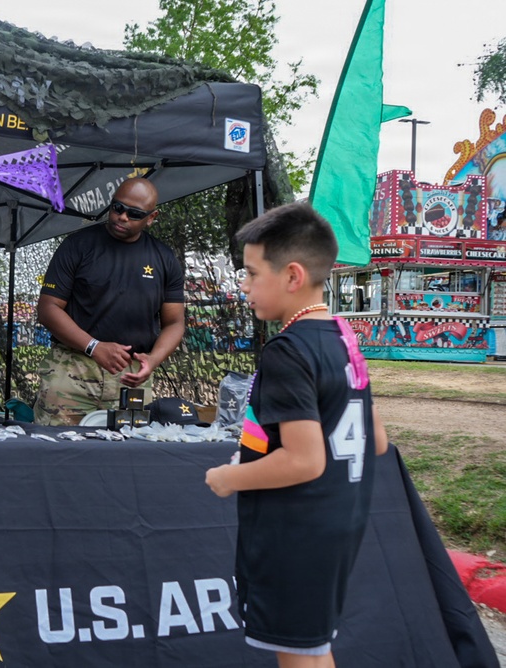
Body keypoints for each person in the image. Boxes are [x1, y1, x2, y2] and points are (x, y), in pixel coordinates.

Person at [205, 202, 389, 668]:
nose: (243, 286)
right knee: (310, 647)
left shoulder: (287, 349)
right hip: (337, 523)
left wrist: (229, 479)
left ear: (291, 276)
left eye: (250, 273)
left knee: (299, 655)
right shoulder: (344, 336)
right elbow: (378, 440)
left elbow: (305, 461)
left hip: (297, 530)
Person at [33, 177, 186, 425]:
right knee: (56, 453)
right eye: (118, 207)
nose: (122, 217)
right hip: (72, 371)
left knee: (126, 458)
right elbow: (48, 308)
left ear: (151, 217)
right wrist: (94, 346)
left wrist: (154, 359)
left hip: (131, 377)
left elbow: (175, 322)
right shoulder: (77, 245)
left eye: (134, 213)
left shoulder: (164, 259)